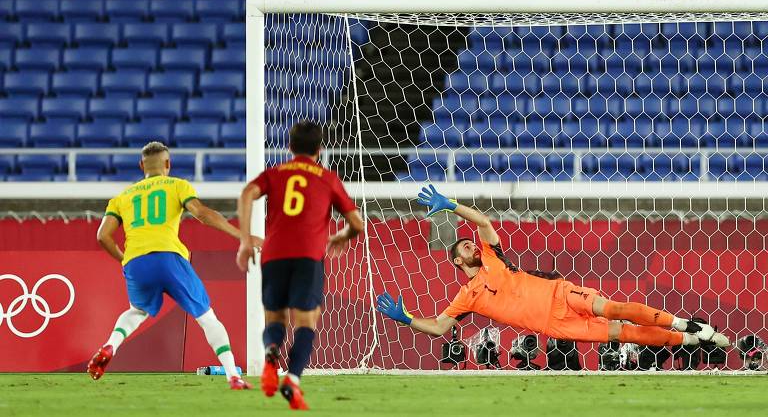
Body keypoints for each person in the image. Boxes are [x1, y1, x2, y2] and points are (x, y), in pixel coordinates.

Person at [376, 185, 730, 361]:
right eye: (463, 247)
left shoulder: (492, 258)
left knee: (614, 308)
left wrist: (452, 206)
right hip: (555, 326)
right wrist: (406, 317)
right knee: (625, 334)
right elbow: (439, 327)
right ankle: (690, 340)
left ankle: (685, 324)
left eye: (470, 243)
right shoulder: (467, 297)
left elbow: (483, 221)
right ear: (456, 261)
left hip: (559, 294)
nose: (470, 245)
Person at [87, 141, 261, 390]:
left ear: (141, 166)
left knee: (136, 311)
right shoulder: (177, 185)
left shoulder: (122, 197)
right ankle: (233, 375)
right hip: (169, 257)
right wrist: (243, 236)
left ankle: (110, 345)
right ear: (168, 164)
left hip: (136, 261)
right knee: (207, 317)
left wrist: (125, 259)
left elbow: (102, 236)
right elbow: (202, 214)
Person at [237, 120, 364, 410]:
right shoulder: (327, 177)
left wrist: (245, 240)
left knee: (275, 318)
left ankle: (271, 353)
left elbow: (247, 194)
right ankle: (292, 379)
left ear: (290, 147)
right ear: (320, 149)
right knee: (306, 320)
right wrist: (342, 235)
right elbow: (357, 223)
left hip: (273, 254)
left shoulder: (275, 173)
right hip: (308, 254)